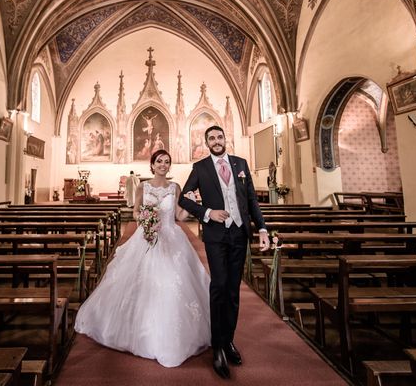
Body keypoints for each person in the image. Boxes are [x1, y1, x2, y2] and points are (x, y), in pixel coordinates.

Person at [74, 150, 211, 367]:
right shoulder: (142, 186)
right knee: (139, 282)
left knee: (171, 283)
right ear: (152, 164)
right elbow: (136, 211)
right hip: (146, 238)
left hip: (170, 237)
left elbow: (178, 216)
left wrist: (190, 202)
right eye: (159, 161)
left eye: (167, 162)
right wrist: (145, 219)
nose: (163, 165)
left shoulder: (175, 188)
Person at [179, 125, 270, 379]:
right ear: (206, 142)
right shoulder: (200, 168)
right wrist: (208, 213)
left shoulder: (240, 164)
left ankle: (229, 340)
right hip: (216, 236)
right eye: (211, 138)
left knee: (232, 290)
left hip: (239, 234)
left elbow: (251, 199)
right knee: (218, 286)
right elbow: (184, 199)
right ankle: (217, 346)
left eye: (219, 137)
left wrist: (262, 228)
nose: (216, 141)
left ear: (225, 139)